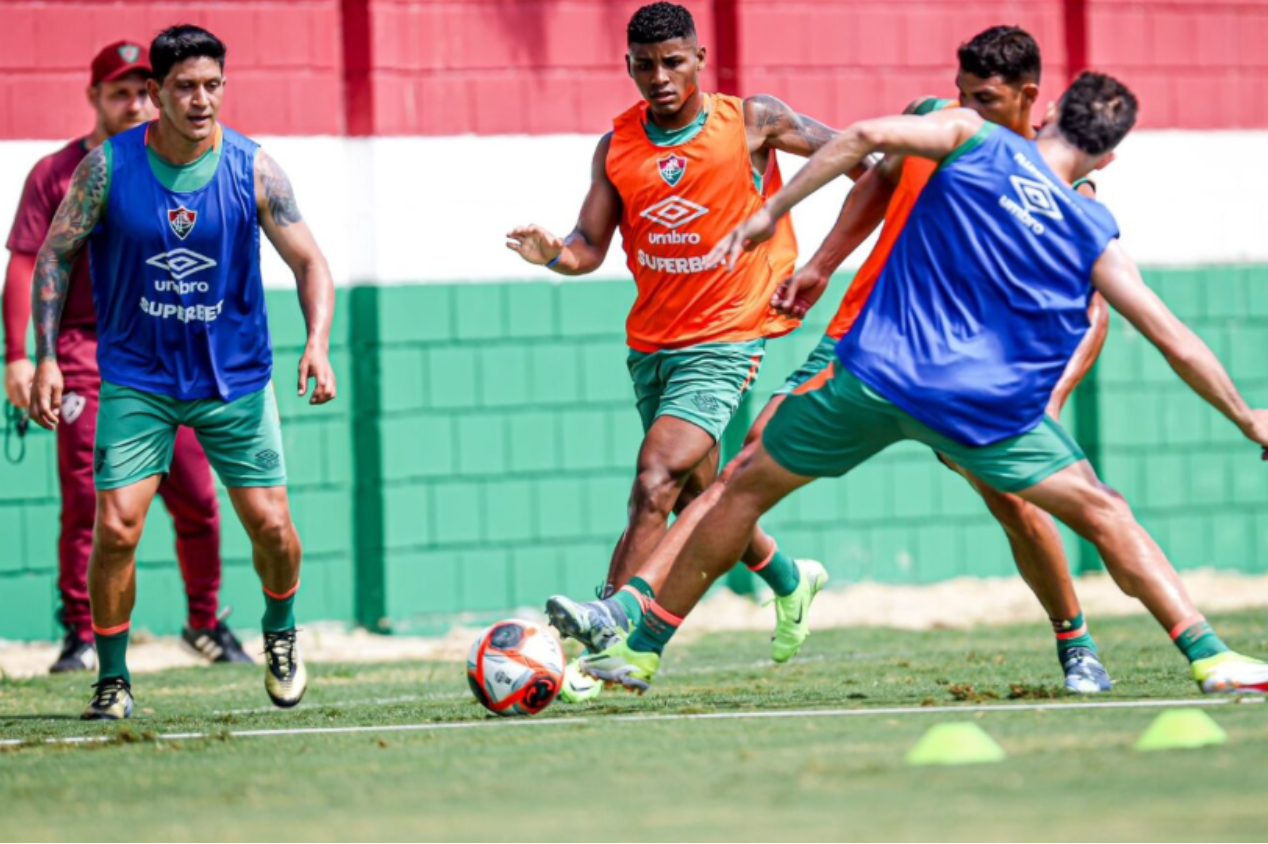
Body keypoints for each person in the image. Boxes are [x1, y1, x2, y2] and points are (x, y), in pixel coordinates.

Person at [580, 72, 1268, 696]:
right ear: (1108, 156)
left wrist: (767, 215)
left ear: (1047, 111)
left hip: (871, 374)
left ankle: (639, 651)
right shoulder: (1090, 224)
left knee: (737, 487)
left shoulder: (969, 138)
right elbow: (1168, 333)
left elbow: (864, 138)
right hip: (977, 405)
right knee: (1104, 512)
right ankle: (1210, 656)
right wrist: (1248, 419)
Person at [546, 26, 1116, 693]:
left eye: (984, 99)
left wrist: (1049, 397)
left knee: (1016, 503)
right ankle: (635, 630)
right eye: (962, 94)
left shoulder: (1059, 191)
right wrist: (818, 265)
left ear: (1029, 101)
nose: (968, 110)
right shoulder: (930, 126)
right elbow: (871, 179)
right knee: (740, 473)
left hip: (963, 364)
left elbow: (1093, 312)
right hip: (864, 338)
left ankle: (1082, 645)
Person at [506, 2, 870, 700]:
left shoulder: (752, 120)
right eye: (645, 65)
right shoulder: (617, 144)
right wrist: (553, 254)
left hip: (728, 336)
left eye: (674, 61)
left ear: (701, 58)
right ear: (628, 67)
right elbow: (588, 247)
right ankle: (791, 579)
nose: (661, 76)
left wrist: (898, 214)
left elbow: (854, 156)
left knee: (655, 481)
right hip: (653, 344)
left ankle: (606, 636)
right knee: (708, 492)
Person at [29, 25, 337, 719]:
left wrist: (317, 342)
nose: (201, 100)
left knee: (273, 529)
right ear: (156, 93)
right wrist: (45, 355)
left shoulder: (254, 168)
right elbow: (53, 255)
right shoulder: (106, 169)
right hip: (139, 380)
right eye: (185, 87)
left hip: (234, 383)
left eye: (213, 85)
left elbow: (311, 262)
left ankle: (281, 634)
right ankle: (112, 677)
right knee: (116, 528)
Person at [2, 40, 250, 673]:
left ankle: (205, 622)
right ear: (94, 98)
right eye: (121, 92)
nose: (136, 102)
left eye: (144, 91)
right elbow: (29, 262)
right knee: (90, 501)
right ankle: (83, 635)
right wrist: (22, 358)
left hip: (170, 354)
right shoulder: (59, 173)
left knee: (197, 494)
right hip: (87, 351)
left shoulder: (178, 166)